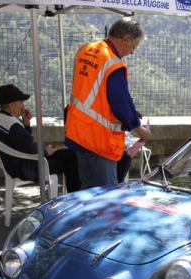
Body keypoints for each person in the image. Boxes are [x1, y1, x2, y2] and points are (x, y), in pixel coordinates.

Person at [65, 17, 151, 189]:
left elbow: (92, 92)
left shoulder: (86, 50)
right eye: (133, 46)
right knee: (105, 198)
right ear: (125, 39)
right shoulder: (112, 63)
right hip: (98, 140)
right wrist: (140, 129)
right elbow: (121, 104)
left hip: (78, 133)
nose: (132, 52)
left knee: (87, 192)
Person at [0, 84, 81, 192]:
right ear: (12, 105)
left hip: (16, 164)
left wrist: (26, 123)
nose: (23, 106)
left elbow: (21, 143)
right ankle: (74, 196)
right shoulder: (13, 125)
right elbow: (30, 148)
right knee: (71, 159)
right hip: (26, 168)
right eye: (21, 102)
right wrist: (46, 151)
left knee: (67, 154)